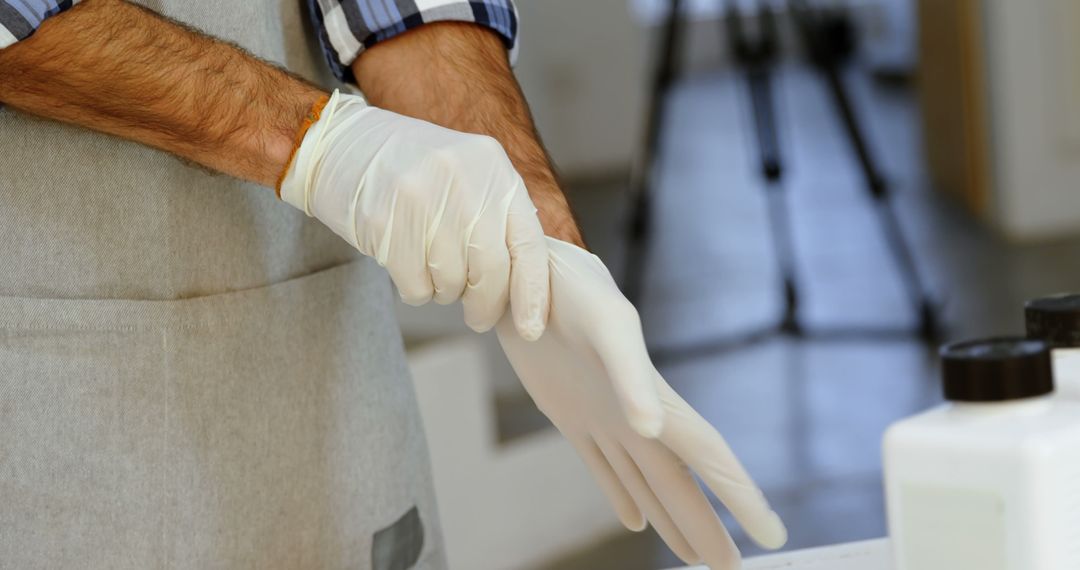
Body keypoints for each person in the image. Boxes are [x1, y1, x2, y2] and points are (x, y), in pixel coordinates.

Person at [0, 1, 787, 568]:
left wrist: (533, 242)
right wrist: (310, 142)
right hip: (59, 410)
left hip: (332, 374)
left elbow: (410, 10)